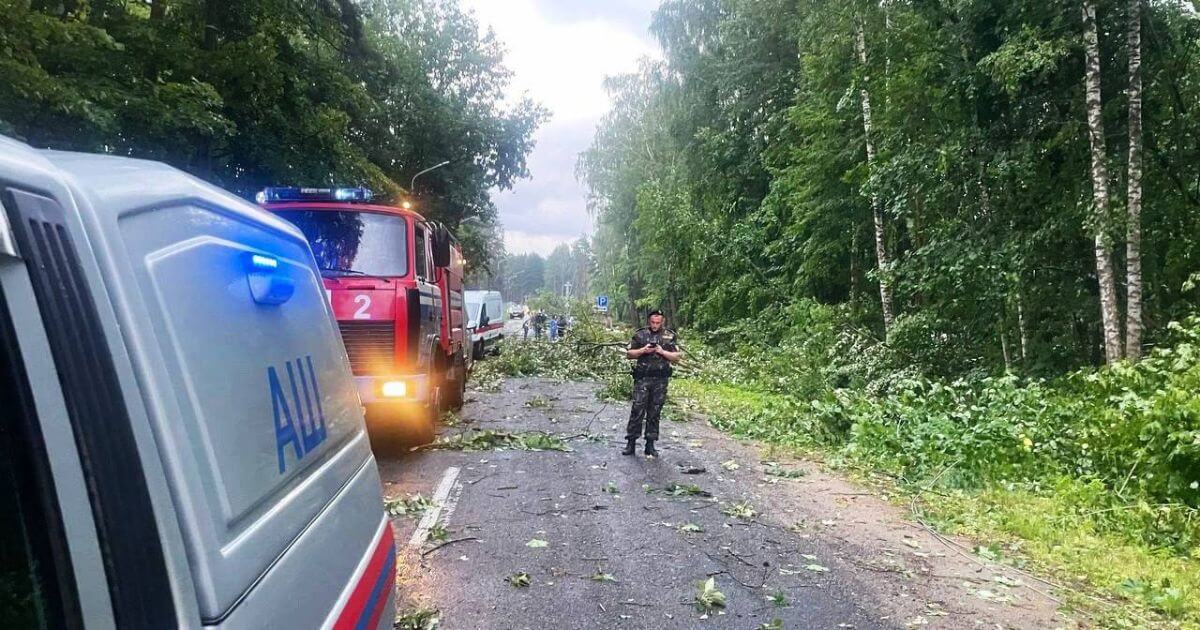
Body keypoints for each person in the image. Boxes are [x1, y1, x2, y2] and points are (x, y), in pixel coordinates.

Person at [622, 310, 681, 458]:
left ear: (662, 321)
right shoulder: (640, 334)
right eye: (653, 322)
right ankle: (631, 443)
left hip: (660, 380)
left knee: (655, 412)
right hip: (643, 378)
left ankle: (650, 444)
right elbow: (629, 354)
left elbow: (677, 357)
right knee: (637, 410)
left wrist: (662, 352)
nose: (655, 325)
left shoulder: (669, 335)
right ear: (649, 321)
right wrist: (643, 350)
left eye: (658, 322)